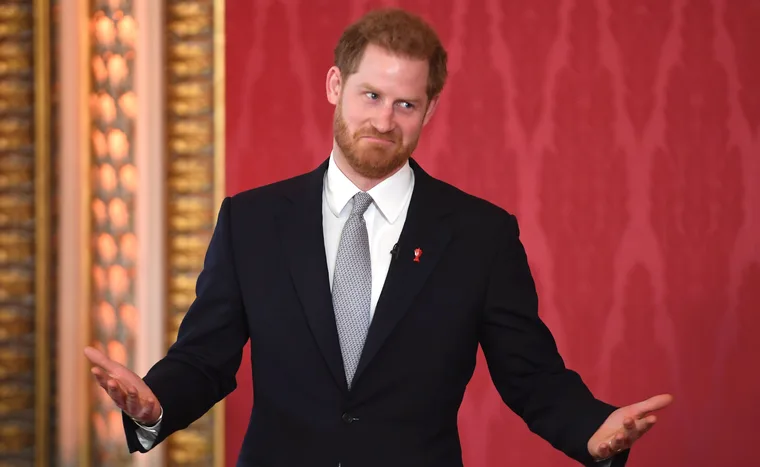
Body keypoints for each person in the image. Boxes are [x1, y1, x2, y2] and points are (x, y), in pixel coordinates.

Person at [84, 8, 672, 467]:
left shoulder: (480, 235)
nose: (385, 121)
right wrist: (155, 402)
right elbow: (206, 357)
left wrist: (595, 431)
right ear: (336, 84)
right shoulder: (253, 221)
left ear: (429, 110)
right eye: (371, 96)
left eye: (406, 104)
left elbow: (531, 374)